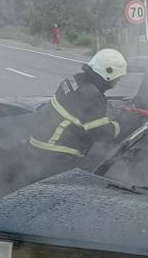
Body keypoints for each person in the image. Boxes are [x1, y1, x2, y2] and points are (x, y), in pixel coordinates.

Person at [27, 47, 127, 179]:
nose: (118, 81)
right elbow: (102, 133)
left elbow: (80, 114)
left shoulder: (76, 79)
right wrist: (123, 123)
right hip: (55, 153)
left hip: (38, 143)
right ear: (109, 73)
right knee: (104, 174)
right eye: (118, 77)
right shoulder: (90, 96)